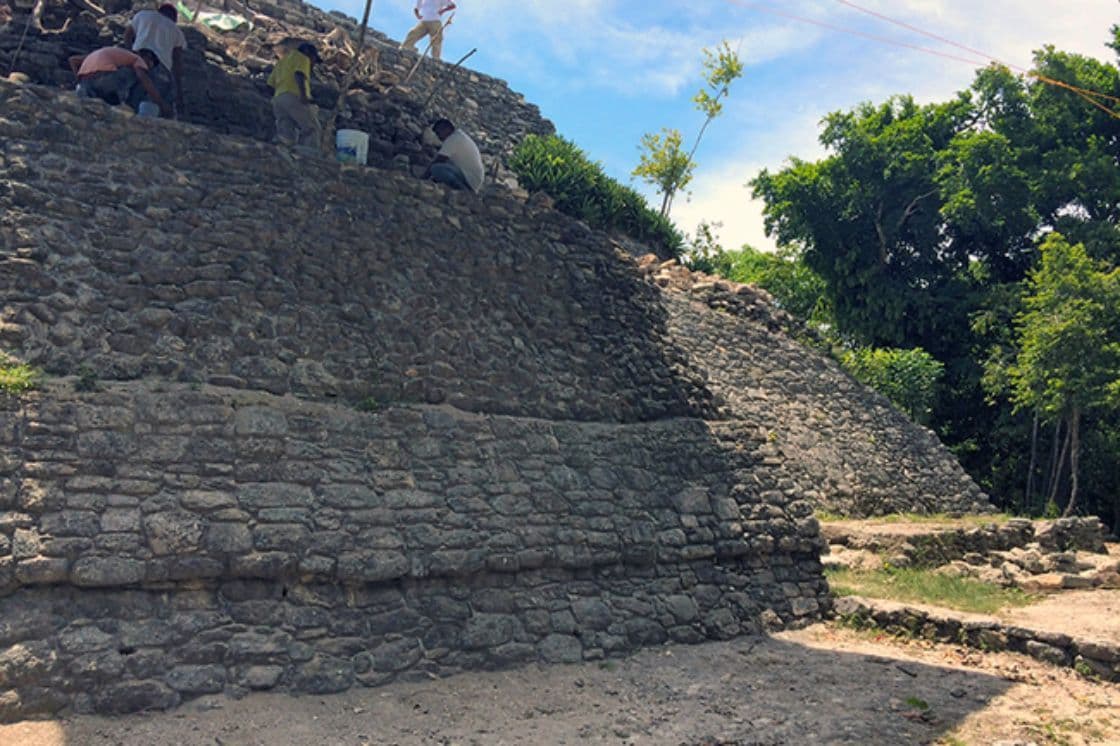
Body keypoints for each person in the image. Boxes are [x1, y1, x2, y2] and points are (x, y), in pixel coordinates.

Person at [123, 3, 187, 118]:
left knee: (130, 93)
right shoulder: (177, 31)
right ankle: (145, 123)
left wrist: (130, 53)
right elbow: (177, 61)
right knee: (151, 100)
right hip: (161, 67)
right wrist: (178, 90)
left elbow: (127, 35)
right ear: (174, 19)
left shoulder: (142, 15)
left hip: (137, 58)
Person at [68, 47, 172, 117]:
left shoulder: (113, 52)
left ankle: (110, 101)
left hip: (85, 86)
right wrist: (161, 104)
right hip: (105, 82)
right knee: (135, 73)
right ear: (148, 58)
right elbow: (142, 77)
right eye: (150, 65)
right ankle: (125, 102)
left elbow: (73, 60)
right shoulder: (137, 58)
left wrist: (78, 81)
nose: (148, 68)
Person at [267, 42, 322, 151]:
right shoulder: (303, 58)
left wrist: (276, 98)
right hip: (294, 96)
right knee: (312, 128)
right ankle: (308, 154)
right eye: (314, 60)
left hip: (278, 99)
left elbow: (269, 85)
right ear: (309, 54)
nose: (313, 64)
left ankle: (283, 153)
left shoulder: (282, 62)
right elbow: (299, 75)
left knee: (286, 132)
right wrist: (303, 95)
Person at [427, 118, 484, 193]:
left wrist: (423, 177)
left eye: (438, 133)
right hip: (471, 177)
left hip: (471, 179)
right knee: (442, 167)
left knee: (436, 169)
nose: (438, 137)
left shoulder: (453, 139)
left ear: (446, 129)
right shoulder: (458, 135)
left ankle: (464, 191)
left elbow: (439, 160)